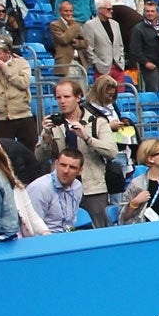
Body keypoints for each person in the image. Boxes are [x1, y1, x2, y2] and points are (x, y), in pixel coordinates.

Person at [37, 78, 120, 226]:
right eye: (58, 97)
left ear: (78, 97)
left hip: (92, 188)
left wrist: (87, 138)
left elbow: (112, 152)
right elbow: (39, 157)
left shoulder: (97, 121)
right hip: (61, 189)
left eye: (66, 97)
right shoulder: (54, 123)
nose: (62, 101)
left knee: (98, 230)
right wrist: (46, 137)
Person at [26, 146, 84, 233]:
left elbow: (71, 222)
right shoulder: (40, 187)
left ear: (80, 171)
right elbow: (32, 226)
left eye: (72, 167)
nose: (66, 171)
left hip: (68, 237)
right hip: (45, 239)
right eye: (63, 165)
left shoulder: (77, 186)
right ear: (56, 164)